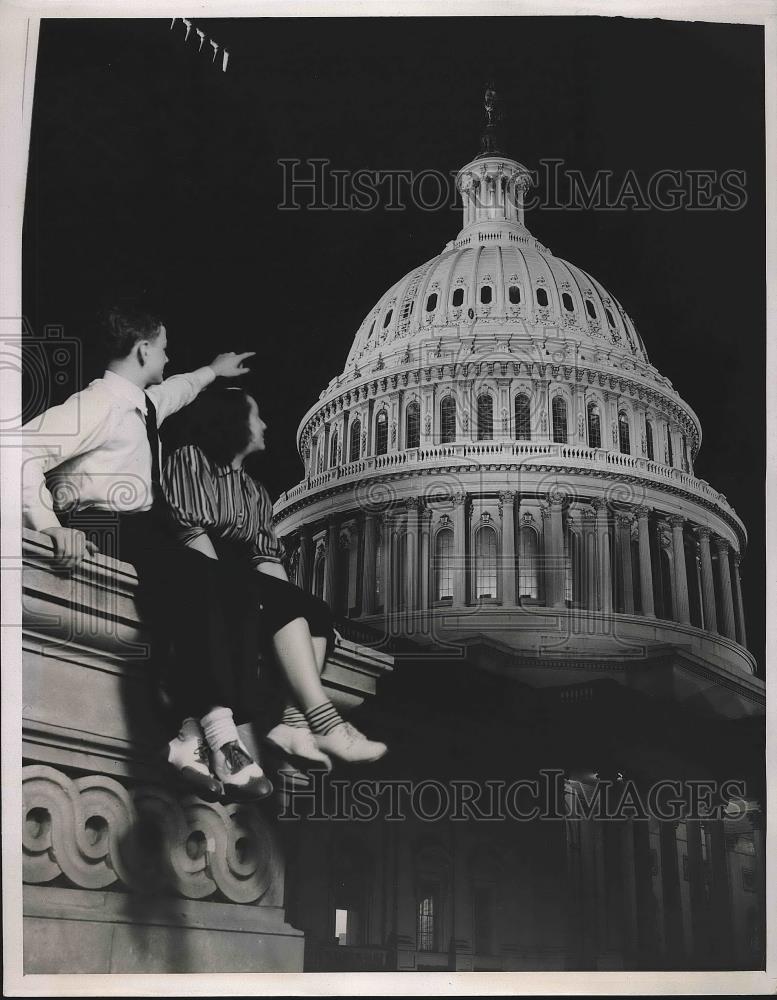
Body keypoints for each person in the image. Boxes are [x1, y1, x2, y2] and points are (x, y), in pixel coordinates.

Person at [21, 301, 271, 802]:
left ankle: (190, 738)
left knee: (241, 593)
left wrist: (211, 372)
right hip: (105, 524)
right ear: (142, 348)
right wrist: (49, 525)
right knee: (197, 578)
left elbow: (171, 394)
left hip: (139, 529)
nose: (167, 355)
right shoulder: (101, 406)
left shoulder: (139, 404)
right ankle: (223, 739)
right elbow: (19, 451)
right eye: (162, 347)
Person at [161, 387, 388, 776]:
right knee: (264, 596)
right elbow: (192, 537)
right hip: (198, 567)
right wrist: (247, 594)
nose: (264, 424)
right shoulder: (189, 462)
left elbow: (267, 559)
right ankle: (325, 722)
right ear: (232, 424)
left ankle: (294, 725)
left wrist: (292, 603)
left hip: (244, 577)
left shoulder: (254, 491)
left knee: (311, 608)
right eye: (256, 416)